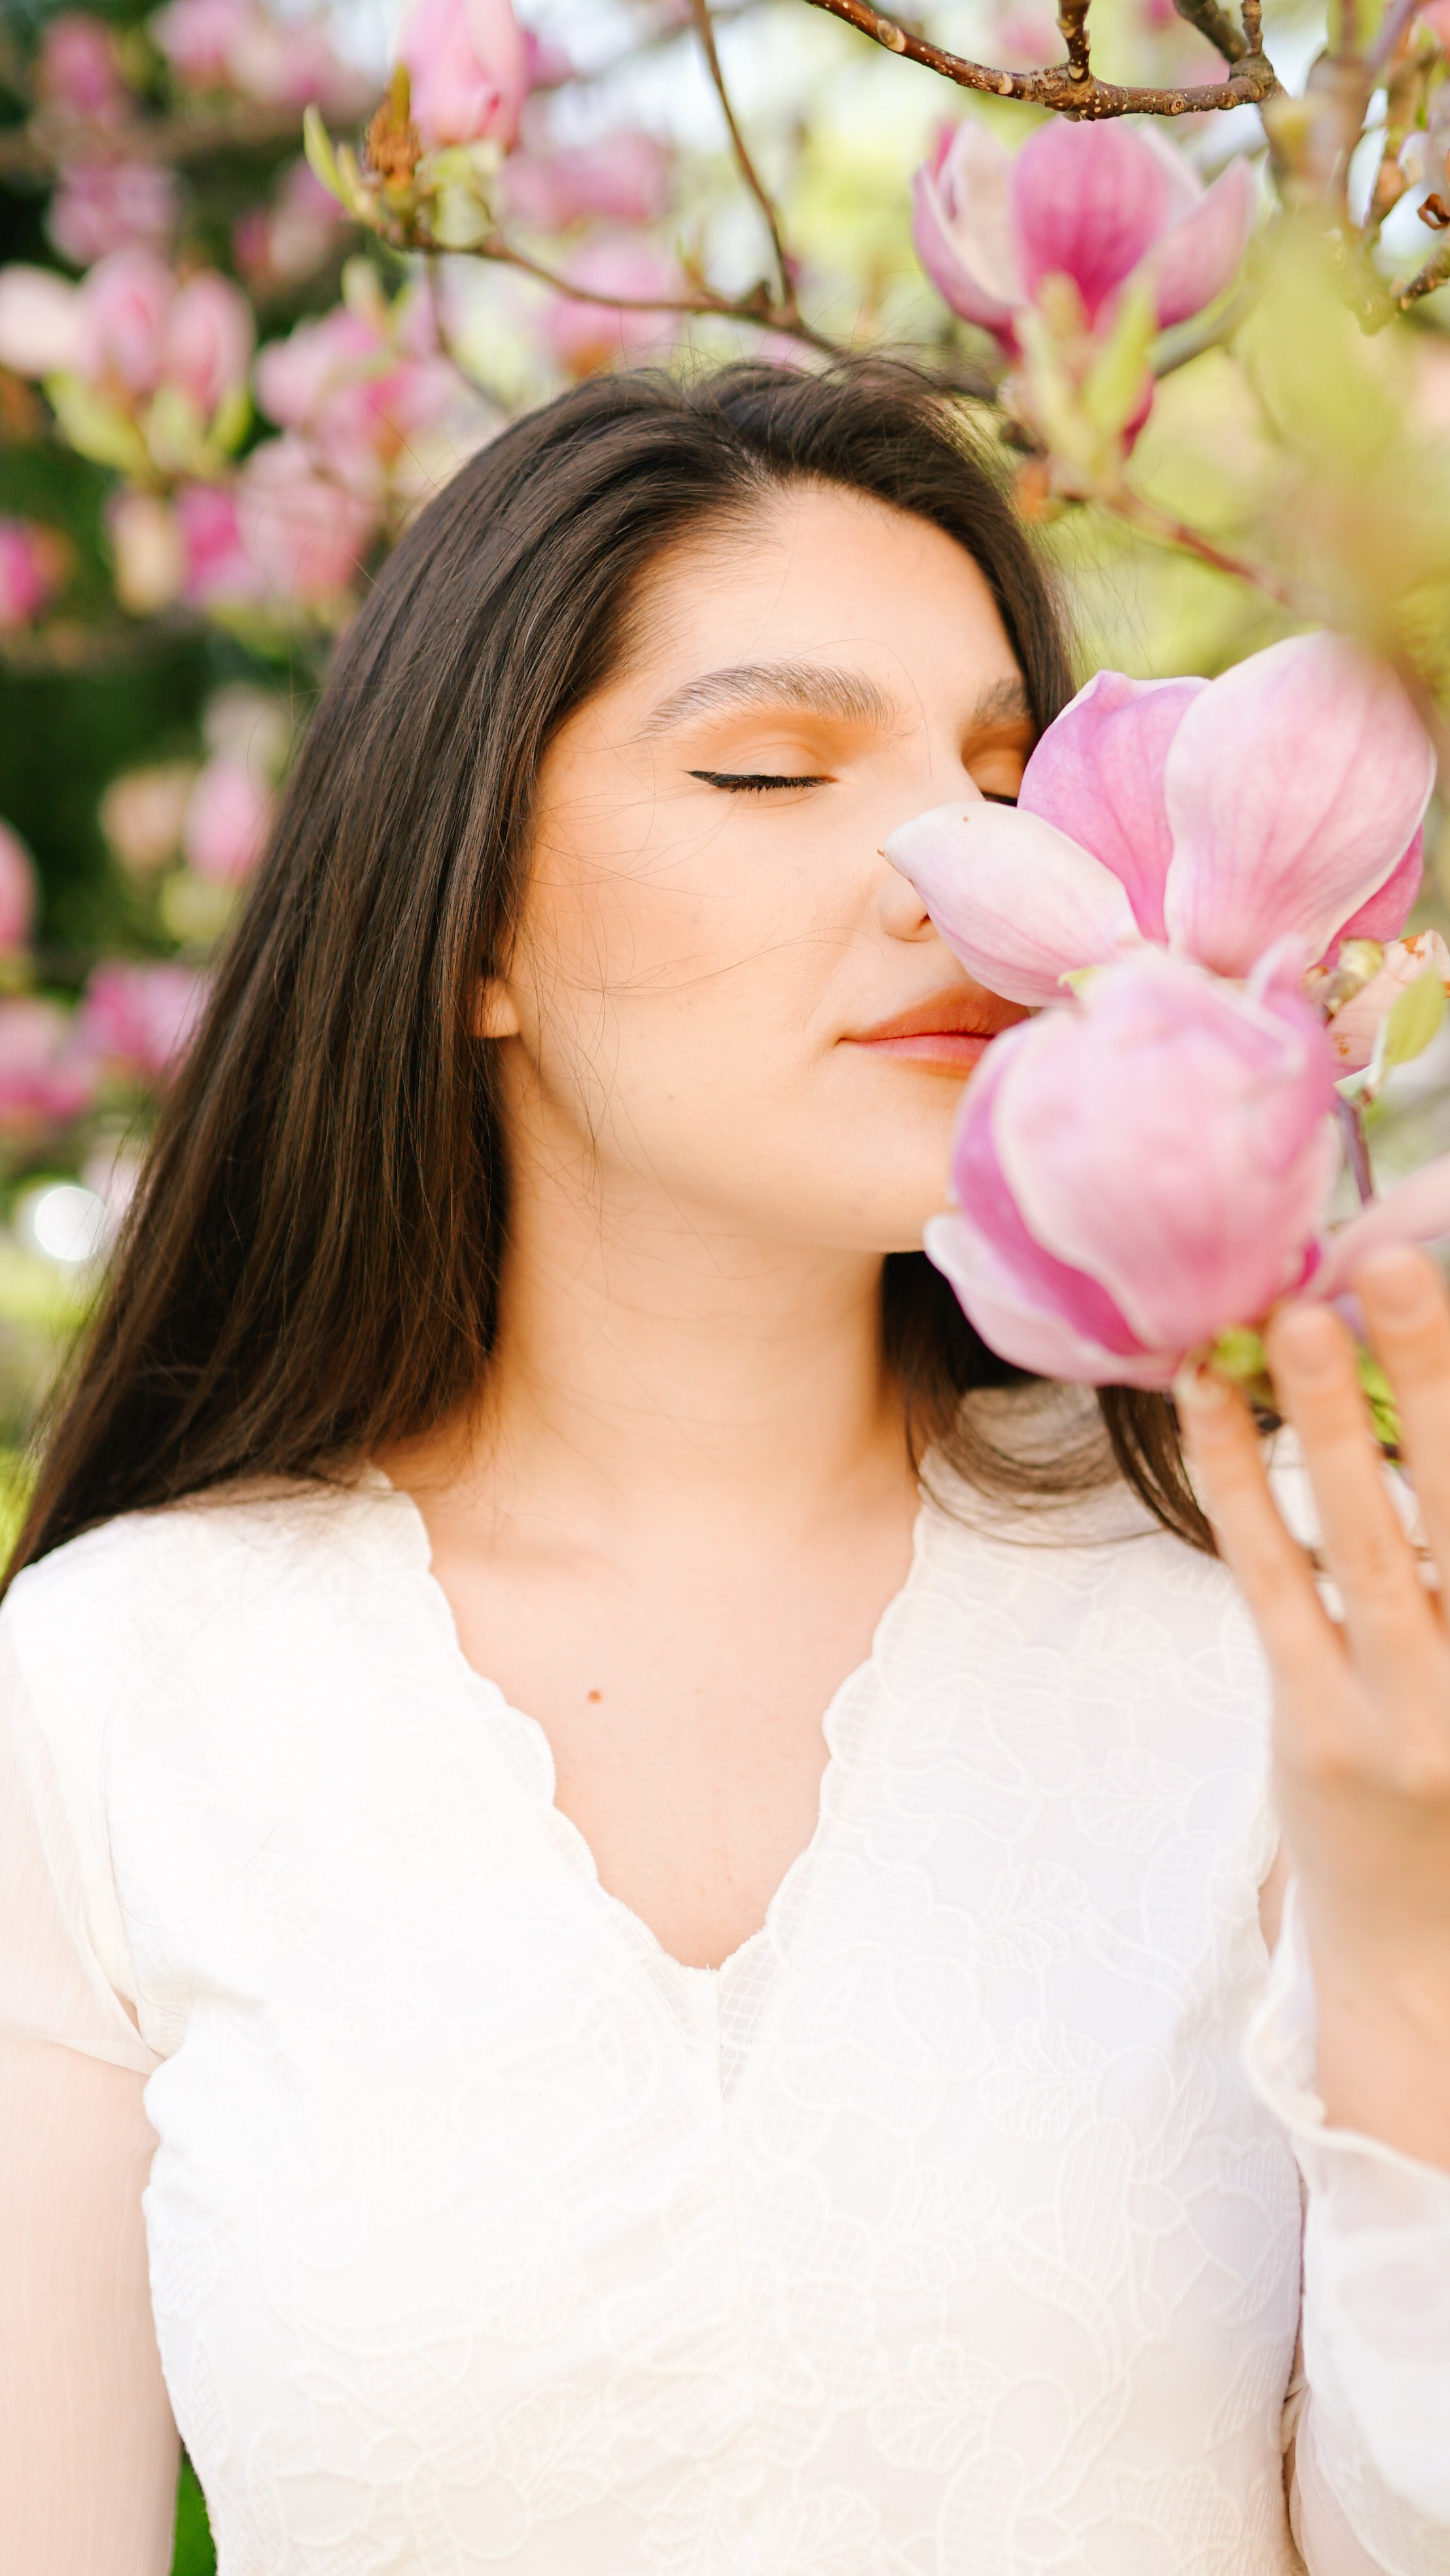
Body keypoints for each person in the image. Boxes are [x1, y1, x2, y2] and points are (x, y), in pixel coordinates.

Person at [2, 361, 1448, 2576]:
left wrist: (1401, 1920)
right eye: (773, 768)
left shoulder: (1272, 1628)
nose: (955, 882)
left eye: (997, 777)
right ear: (468, 913)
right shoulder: (126, 1691)